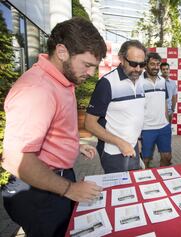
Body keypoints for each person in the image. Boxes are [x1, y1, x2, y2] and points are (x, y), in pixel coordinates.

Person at [1, 18, 106, 237]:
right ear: (61, 51)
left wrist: (73, 145)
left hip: (54, 180)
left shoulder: (62, 79)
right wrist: (70, 189)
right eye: (87, 65)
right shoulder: (37, 89)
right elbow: (16, 159)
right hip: (37, 190)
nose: (90, 73)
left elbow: (52, 128)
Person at [85, 40, 147, 173]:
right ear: (121, 59)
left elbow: (135, 114)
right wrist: (120, 143)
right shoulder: (107, 83)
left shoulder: (141, 80)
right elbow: (89, 124)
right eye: (133, 64)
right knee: (120, 191)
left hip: (133, 146)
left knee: (133, 188)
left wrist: (138, 139)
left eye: (142, 65)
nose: (138, 69)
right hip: (113, 152)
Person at [140, 52, 172, 168]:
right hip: (146, 128)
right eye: (152, 64)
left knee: (167, 157)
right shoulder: (139, 81)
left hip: (163, 127)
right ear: (146, 65)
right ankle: (146, 184)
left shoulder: (163, 81)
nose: (156, 67)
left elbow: (164, 101)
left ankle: (162, 180)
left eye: (158, 64)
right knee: (145, 159)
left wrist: (167, 121)